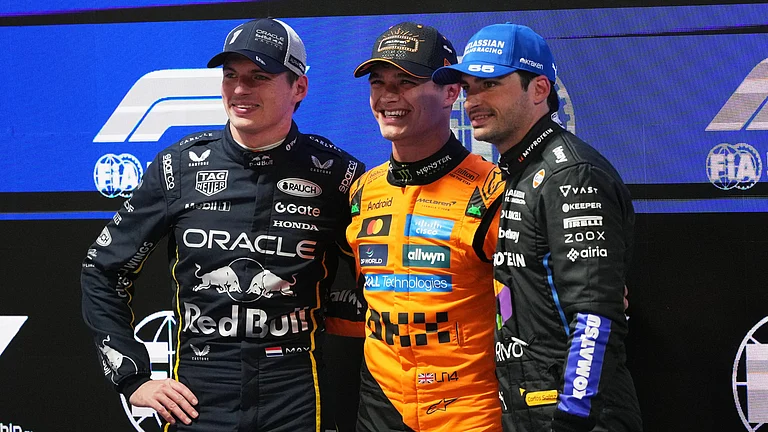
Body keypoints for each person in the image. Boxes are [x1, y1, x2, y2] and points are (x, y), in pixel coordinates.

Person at [81, 18, 364, 431]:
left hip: (298, 396)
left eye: (258, 77)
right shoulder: (178, 166)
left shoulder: (336, 174)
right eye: (230, 76)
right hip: (198, 398)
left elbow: (380, 274)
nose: (239, 90)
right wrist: (131, 376)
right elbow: (102, 269)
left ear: (298, 88)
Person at [433, 23, 643, 432]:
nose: (473, 100)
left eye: (489, 83)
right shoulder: (518, 172)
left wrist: (572, 417)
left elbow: (596, 316)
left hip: (576, 415)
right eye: (469, 87)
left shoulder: (570, 174)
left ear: (540, 89)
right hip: (527, 408)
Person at [346, 22, 505, 432]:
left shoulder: (492, 190)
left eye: (407, 81)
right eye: (378, 82)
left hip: (468, 410)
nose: (387, 96)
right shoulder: (363, 189)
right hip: (381, 407)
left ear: (451, 92)